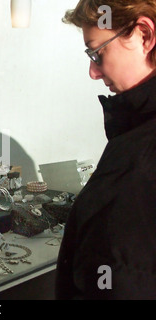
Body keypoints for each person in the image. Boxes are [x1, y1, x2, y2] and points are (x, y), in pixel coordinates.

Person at [56, 0, 156, 299]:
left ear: (144, 35)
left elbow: (125, 279)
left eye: (97, 53)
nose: (93, 72)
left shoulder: (143, 153)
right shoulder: (134, 135)